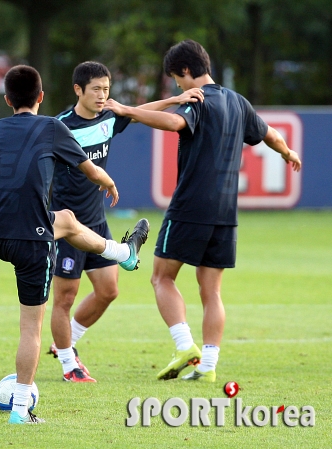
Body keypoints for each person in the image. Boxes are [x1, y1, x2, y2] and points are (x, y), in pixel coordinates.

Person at [0, 65, 148, 424]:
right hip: (31, 239)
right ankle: (20, 410)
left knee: (67, 219)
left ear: (7, 100)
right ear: (41, 97)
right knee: (30, 328)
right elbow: (91, 171)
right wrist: (111, 183)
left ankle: (123, 255)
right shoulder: (52, 127)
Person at [104, 40, 301, 382]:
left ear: (184, 72)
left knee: (161, 277)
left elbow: (174, 124)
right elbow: (269, 134)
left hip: (191, 204)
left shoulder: (197, 99)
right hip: (226, 211)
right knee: (211, 290)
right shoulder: (238, 102)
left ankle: (185, 347)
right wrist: (287, 152)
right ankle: (208, 367)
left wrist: (127, 110)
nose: (178, 87)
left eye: (176, 80)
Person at [47, 61, 205, 382]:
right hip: (66, 224)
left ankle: (66, 344)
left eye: (106, 89)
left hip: (96, 220)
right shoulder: (59, 125)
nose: (103, 96)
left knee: (108, 290)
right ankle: (68, 366)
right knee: (65, 297)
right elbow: (21, 130)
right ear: (78, 90)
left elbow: (135, 111)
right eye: (96, 90)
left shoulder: (108, 117)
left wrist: (175, 100)